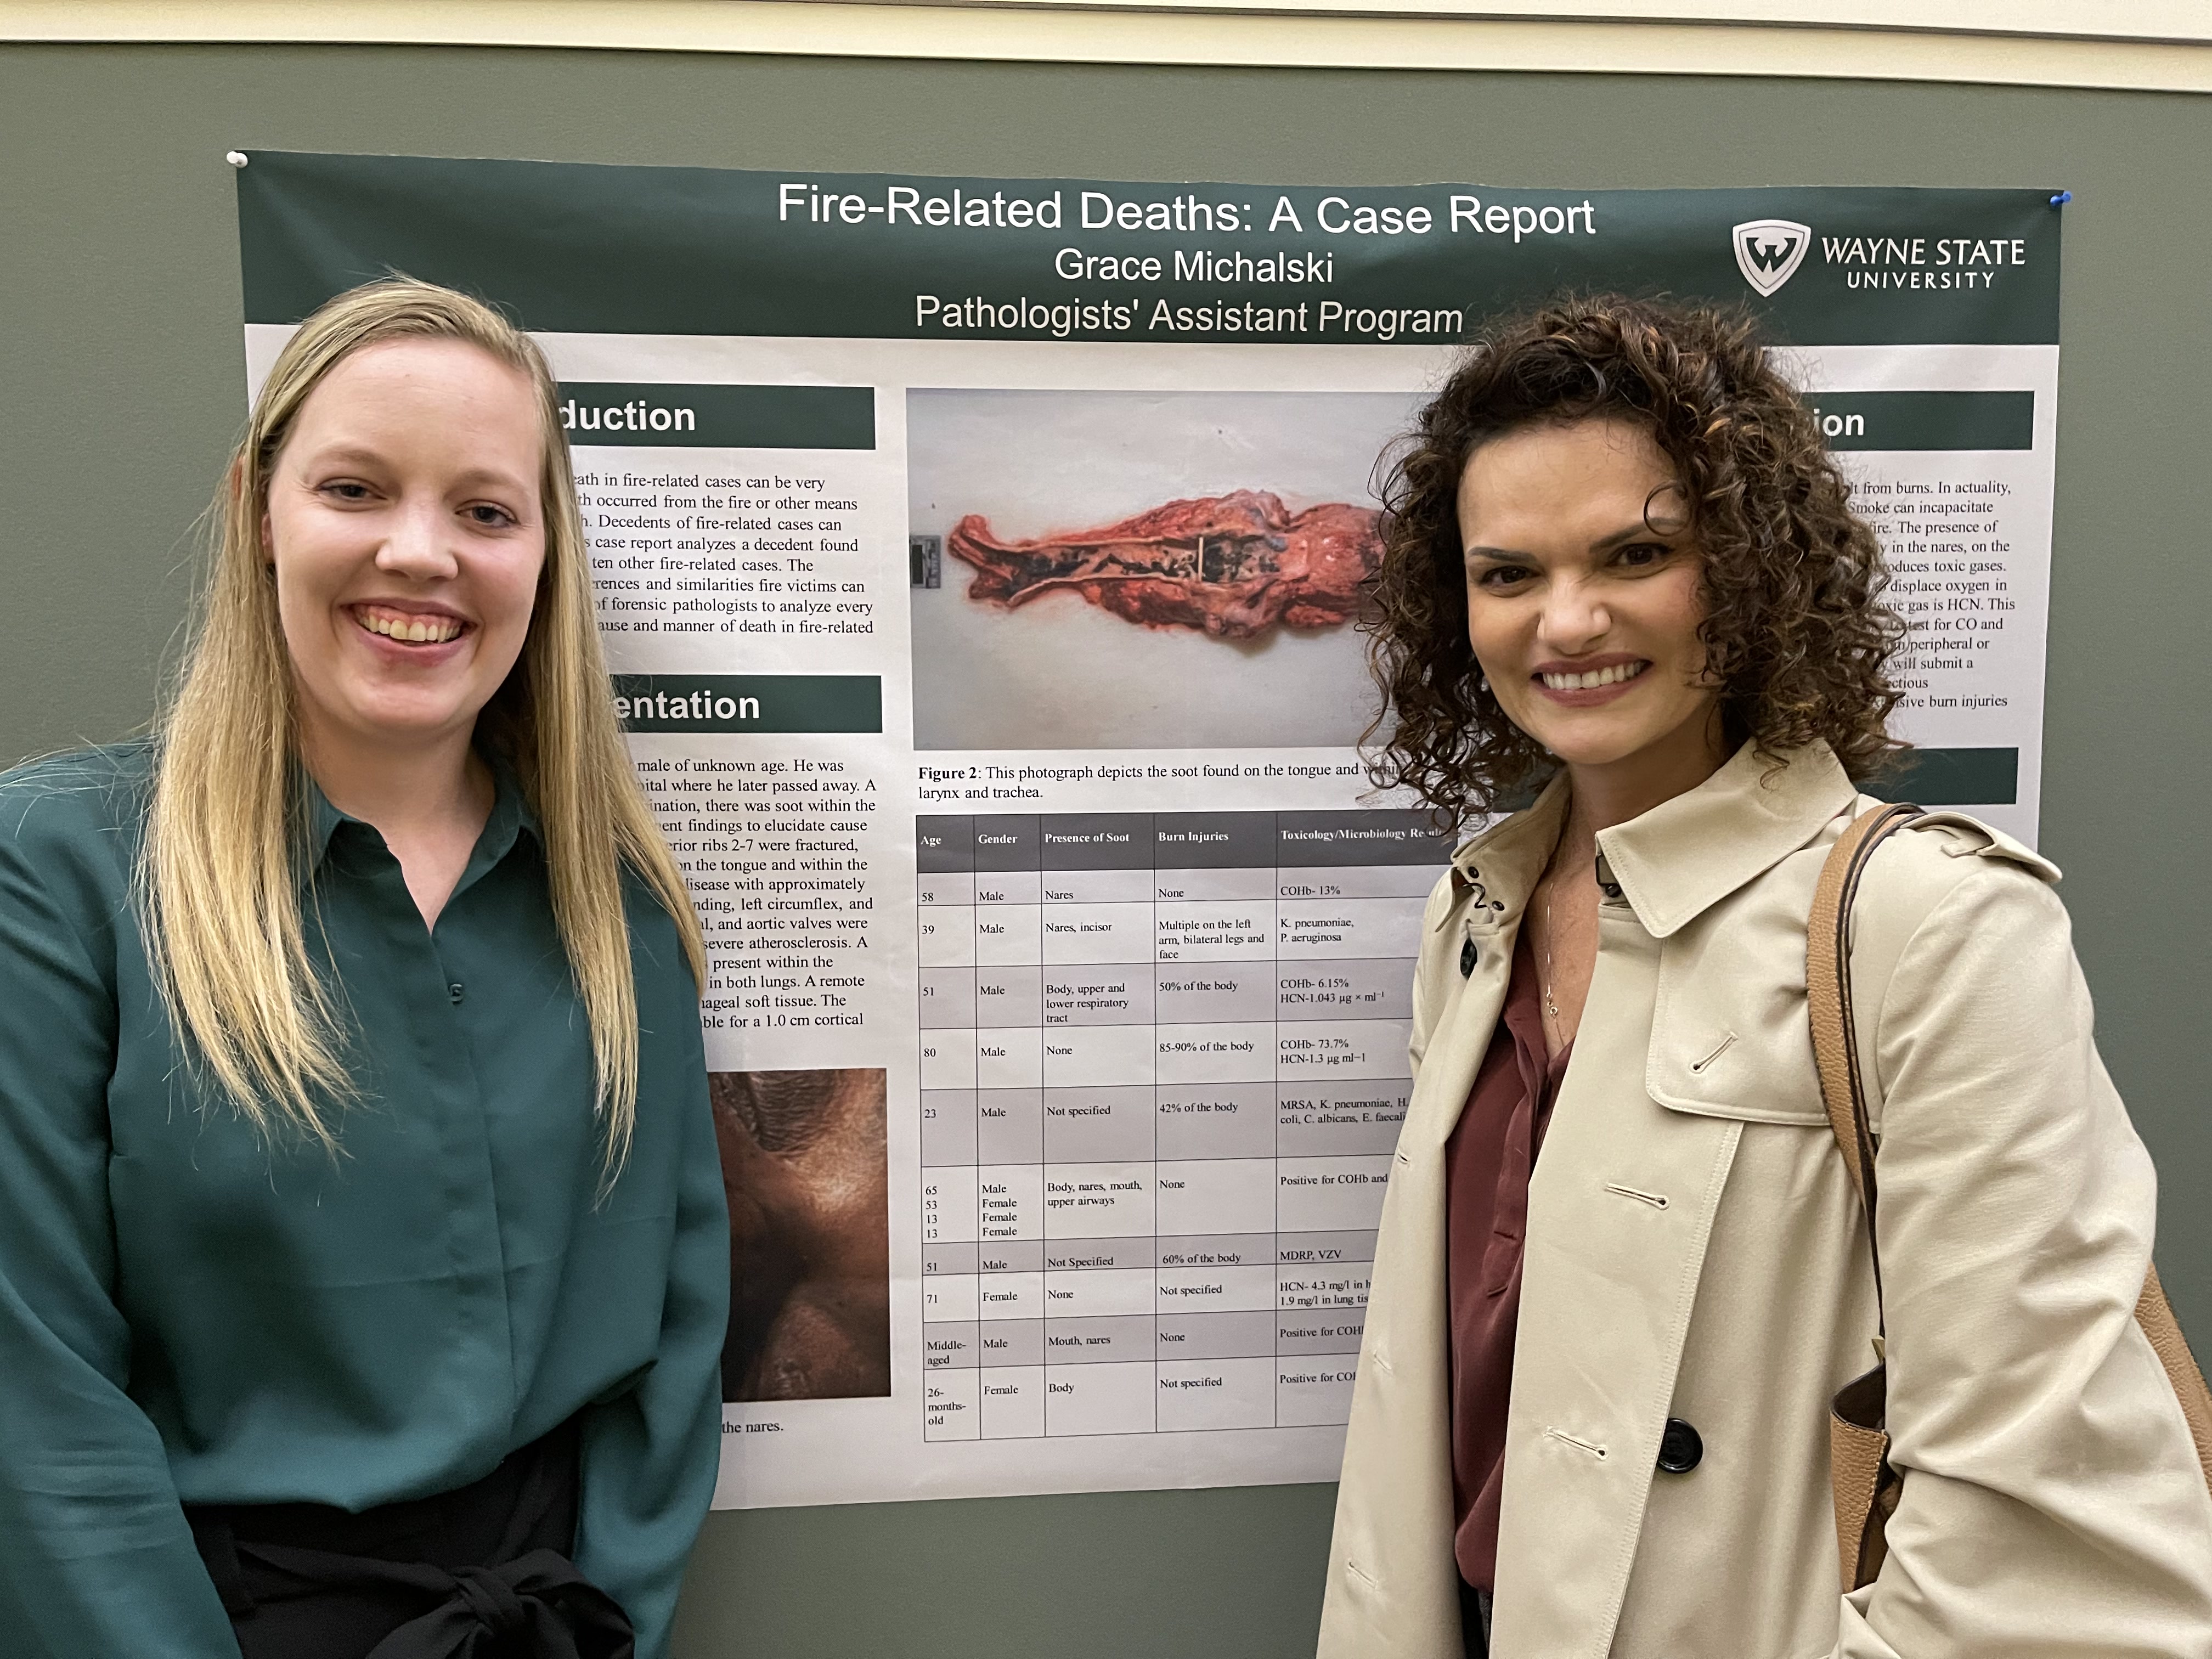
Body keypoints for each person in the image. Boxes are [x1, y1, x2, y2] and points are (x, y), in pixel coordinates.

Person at [1318, 296, 2212, 1658]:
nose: (1567, 621)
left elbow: (2049, 1523)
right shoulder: (1479, 912)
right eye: (1508, 574)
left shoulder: (1930, 926)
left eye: (1637, 553)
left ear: (1742, 566)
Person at [0, 277, 729, 1658]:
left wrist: (613, 1628)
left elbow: (672, 1354)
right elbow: (28, 1391)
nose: (421, 553)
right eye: (355, 489)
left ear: (545, 555)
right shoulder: (57, 872)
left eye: (485, 510)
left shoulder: (616, 911)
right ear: (255, 511)